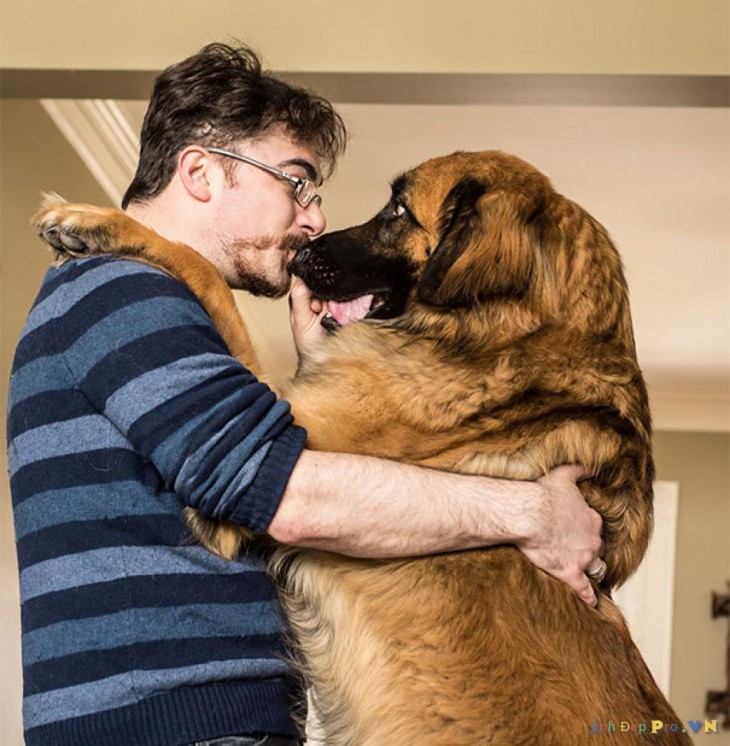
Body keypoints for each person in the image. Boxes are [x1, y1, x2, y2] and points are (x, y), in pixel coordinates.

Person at [7, 43, 603, 746]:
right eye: (296, 182)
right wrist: (533, 512)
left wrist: (319, 370)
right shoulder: (124, 290)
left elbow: (238, 483)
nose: (314, 218)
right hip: (173, 725)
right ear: (200, 172)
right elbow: (285, 497)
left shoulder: (145, 302)